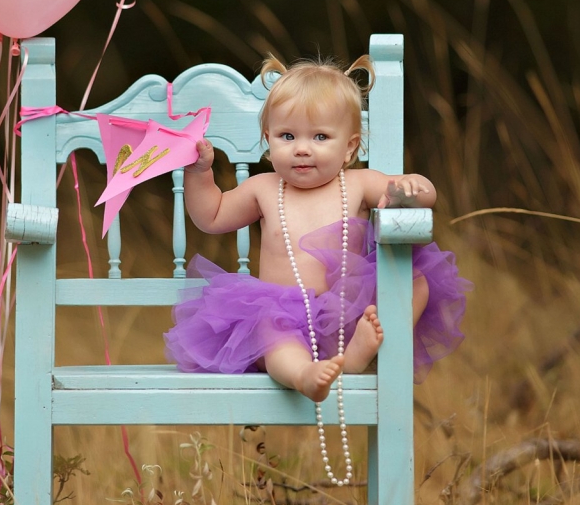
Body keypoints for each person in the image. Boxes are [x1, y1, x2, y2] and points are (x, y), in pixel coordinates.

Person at [164, 54, 471, 403]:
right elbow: (212, 215)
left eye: (321, 136)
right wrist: (199, 172)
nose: (302, 149)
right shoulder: (264, 188)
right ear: (268, 140)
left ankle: (359, 356)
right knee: (269, 334)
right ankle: (303, 375)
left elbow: (419, 194)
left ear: (349, 147)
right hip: (281, 315)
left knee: (414, 283)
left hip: (348, 313)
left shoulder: (358, 183)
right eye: (287, 136)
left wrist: (414, 188)